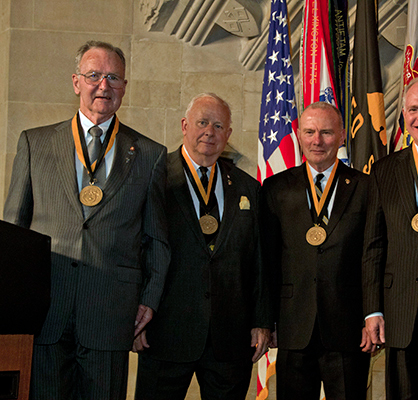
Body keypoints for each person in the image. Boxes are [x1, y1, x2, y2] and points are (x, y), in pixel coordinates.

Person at [3, 40, 169, 399]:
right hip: (46, 309)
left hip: (110, 312)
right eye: (94, 75)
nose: (103, 85)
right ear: (76, 81)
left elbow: (157, 240)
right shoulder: (35, 143)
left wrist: (149, 300)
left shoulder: (151, 155)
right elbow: (14, 232)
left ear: (125, 87)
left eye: (113, 77)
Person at [134, 93, 271, 400]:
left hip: (230, 337)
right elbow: (137, 250)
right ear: (185, 126)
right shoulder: (153, 177)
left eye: (219, 125)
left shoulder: (248, 187)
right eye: (202, 122)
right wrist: (136, 317)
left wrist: (262, 321)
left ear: (229, 134)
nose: (210, 131)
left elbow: (259, 260)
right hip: (165, 330)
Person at [261, 102, 370, 400]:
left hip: (348, 329)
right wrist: (266, 320)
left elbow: (371, 257)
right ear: (298, 135)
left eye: (326, 132)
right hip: (293, 326)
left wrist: (370, 315)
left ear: (343, 135)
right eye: (309, 132)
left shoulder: (366, 187)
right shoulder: (275, 188)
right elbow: (267, 261)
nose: (317, 140)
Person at [362, 76, 418, 399]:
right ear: (403, 116)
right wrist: (373, 310)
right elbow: (373, 246)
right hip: (399, 313)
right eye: (413, 109)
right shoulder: (385, 170)